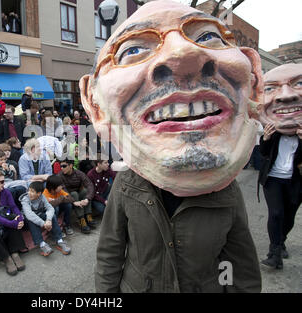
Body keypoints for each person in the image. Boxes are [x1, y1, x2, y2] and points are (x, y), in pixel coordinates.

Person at [80, 1, 263, 292]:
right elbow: (110, 256)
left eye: (207, 37)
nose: (183, 54)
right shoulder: (126, 185)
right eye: (133, 50)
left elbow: (239, 267)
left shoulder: (227, 193)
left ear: (254, 82)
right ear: (94, 104)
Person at [257, 64, 302, 269]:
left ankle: (281, 240)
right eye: (271, 88)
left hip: (295, 181)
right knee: (275, 213)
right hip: (273, 179)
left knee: (289, 216)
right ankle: (274, 252)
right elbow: (264, 154)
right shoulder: (273, 131)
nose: (285, 96)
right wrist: (265, 138)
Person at [20, 181, 71, 256]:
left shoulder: (42, 197)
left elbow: (50, 208)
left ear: (39, 193)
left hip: (39, 216)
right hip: (27, 221)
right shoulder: (25, 200)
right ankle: (42, 244)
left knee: (51, 215)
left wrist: (48, 220)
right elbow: (29, 215)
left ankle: (59, 240)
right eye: (29, 190)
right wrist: (44, 223)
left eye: (32, 191)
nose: (29, 193)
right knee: (31, 220)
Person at [58, 159, 95, 234]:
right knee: (74, 193)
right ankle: (81, 220)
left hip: (79, 195)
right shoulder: (60, 175)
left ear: (71, 166)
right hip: (68, 197)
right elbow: (64, 191)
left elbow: (90, 185)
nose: (61, 168)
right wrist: (74, 202)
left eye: (64, 166)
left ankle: (88, 216)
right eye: (61, 166)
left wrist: (87, 199)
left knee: (85, 191)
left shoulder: (79, 173)